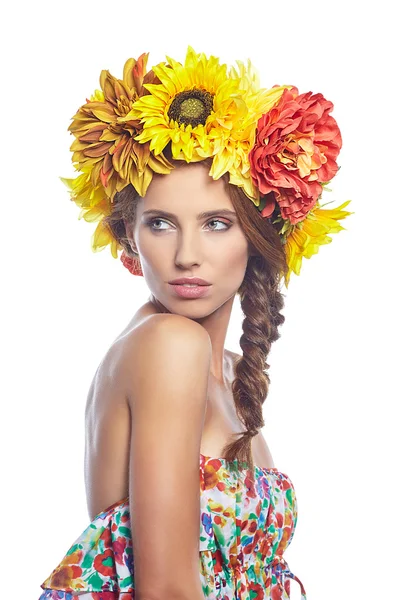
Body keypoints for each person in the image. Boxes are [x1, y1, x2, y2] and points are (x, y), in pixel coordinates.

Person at [38, 46, 353, 600]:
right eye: (160, 223)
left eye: (215, 223)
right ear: (129, 235)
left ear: (257, 239)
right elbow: (164, 591)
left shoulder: (229, 373)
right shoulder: (168, 345)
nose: (187, 255)